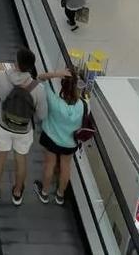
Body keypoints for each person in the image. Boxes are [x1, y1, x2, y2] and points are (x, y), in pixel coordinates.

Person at [0, 48, 47, 205]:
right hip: (23, 130)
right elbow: (42, 115)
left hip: (3, 125)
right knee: (21, 159)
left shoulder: (1, 76)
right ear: (30, 67)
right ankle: (17, 193)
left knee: (0, 157)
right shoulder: (38, 88)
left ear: (16, 62)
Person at [33, 71, 86, 206]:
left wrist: (57, 73)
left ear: (63, 85)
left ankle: (44, 192)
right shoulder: (84, 105)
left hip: (51, 138)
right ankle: (60, 195)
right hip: (70, 143)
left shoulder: (54, 101)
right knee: (66, 167)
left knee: (49, 165)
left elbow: (39, 78)